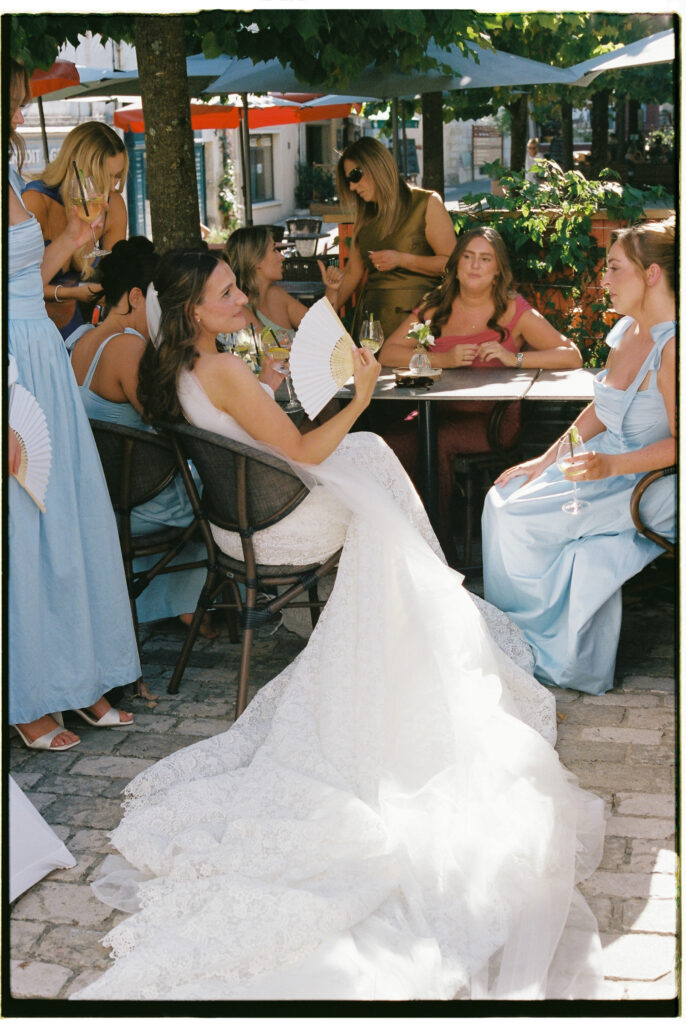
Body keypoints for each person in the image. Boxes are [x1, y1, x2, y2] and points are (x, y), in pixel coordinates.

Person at [72, 248, 606, 1002]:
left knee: (373, 470)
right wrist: (358, 395)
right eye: (227, 293)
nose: (241, 299)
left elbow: (258, 434)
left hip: (240, 515)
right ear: (192, 308)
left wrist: (281, 391)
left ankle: (411, 641)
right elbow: (297, 448)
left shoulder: (182, 366)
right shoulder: (220, 369)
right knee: (376, 476)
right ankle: (420, 654)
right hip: (276, 518)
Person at [482, 218, 676, 695]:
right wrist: (546, 460)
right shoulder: (627, 331)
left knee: (518, 520)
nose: (603, 280)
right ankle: (517, 633)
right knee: (502, 497)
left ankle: (541, 650)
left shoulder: (674, 349)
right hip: (604, 462)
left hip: (650, 480)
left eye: (614, 268)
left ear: (652, 274)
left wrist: (611, 466)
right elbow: (601, 410)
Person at [8, 60, 138, 751]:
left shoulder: (10, 177)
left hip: (43, 356)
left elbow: (24, 278)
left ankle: (78, 675)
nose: (19, 115)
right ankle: (29, 695)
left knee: (71, 516)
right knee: (28, 528)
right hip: (13, 363)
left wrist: (72, 242)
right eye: (13, 103)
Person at [378, 225, 582, 558]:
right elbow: (388, 353)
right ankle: (394, 549)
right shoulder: (436, 306)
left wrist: (514, 358)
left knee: (435, 443)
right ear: (456, 264)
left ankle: (439, 554)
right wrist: (443, 359)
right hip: (436, 411)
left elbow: (571, 355)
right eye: (468, 257)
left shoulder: (513, 309)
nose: (475, 265)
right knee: (388, 442)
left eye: (485, 259)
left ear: (498, 270)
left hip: (492, 420)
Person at [67, 237, 212, 635]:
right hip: (135, 502)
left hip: (101, 494)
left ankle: (181, 599)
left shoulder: (80, 339)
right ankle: (198, 601)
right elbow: (171, 421)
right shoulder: (127, 347)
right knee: (221, 481)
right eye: (158, 303)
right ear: (135, 298)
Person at [334, 136, 457, 341]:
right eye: (349, 181)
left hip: (419, 327)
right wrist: (319, 317)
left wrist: (402, 260)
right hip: (372, 328)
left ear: (377, 166)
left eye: (355, 176)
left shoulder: (426, 203)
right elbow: (352, 274)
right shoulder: (366, 217)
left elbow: (452, 264)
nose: (352, 187)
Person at [22, 121, 128, 340]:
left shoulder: (112, 204)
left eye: (117, 176)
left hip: (81, 328)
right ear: (79, 171)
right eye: (104, 176)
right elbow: (18, 286)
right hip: (32, 330)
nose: (111, 186)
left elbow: (116, 275)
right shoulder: (36, 202)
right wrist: (72, 293)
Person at [225, 225, 343, 339]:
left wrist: (332, 290)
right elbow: (269, 351)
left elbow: (322, 330)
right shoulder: (241, 312)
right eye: (274, 250)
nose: (282, 257)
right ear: (256, 261)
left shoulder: (276, 295)